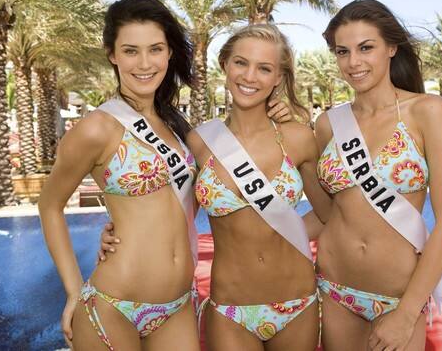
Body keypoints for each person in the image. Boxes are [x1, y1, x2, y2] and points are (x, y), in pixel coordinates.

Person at [100, 24, 334, 350]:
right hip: (230, 308)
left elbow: (331, 215)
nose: (250, 76)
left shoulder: (297, 137)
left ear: (278, 77)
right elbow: (170, 214)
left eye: (264, 68)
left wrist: (285, 230)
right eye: (241, 63)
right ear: (225, 64)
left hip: (297, 302)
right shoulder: (198, 142)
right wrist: (118, 231)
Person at [39, 0, 202, 350]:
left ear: (169, 52)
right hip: (113, 307)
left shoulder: (176, 125)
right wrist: (72, 291)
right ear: (112, 54)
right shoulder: (97, 128)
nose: (144, 63)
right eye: (131, 51)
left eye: (155, 49)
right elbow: (49, 205)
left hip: (177, 306)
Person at [314, 0, 442, 351]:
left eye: (366, 48)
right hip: (335, 290)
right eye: (342, 51)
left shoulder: (427, 111)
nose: (353, 62)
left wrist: (408, 312)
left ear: (391, 48)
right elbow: (329, 213)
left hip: (398, 297)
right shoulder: (328, 124)